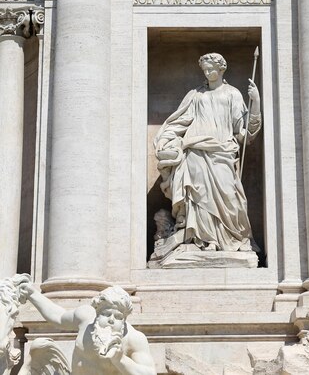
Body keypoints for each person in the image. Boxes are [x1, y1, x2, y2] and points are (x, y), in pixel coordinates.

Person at [154, 53, 261, 253]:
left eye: (211, 68)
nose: (208, 72)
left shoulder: (233, 94)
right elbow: (179, 122)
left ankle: (230, 238)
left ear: (222, 69)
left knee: (229, 196)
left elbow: (244, 132)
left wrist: (255, 103)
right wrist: (166, 139)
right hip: (195, 151)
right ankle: (203, 240)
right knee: (198, 195)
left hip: (223, 150)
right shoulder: (195, 95)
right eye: (205, 69)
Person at [18, 280, 156, 375]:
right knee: (38, 346)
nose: (111, 320)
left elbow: (150, 373)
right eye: (106, 314)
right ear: (97, 313)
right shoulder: (85, 318)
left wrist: (120, 360)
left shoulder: (133, 338)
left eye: (118, 317)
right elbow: (59, 316)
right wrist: (33, 294)